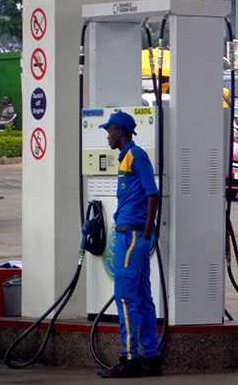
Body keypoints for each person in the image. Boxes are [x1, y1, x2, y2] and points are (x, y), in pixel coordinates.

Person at [97, 111, 162, 378]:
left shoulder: (136, 155)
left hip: (133, 236)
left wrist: (146, 234)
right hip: (132, 235)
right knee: (143, 298)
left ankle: (131, 359)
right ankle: (150, 359)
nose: (107, 136)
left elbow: (153, 194)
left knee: (125, 299)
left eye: (109, 131)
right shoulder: (127, 158)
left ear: (121, 132)